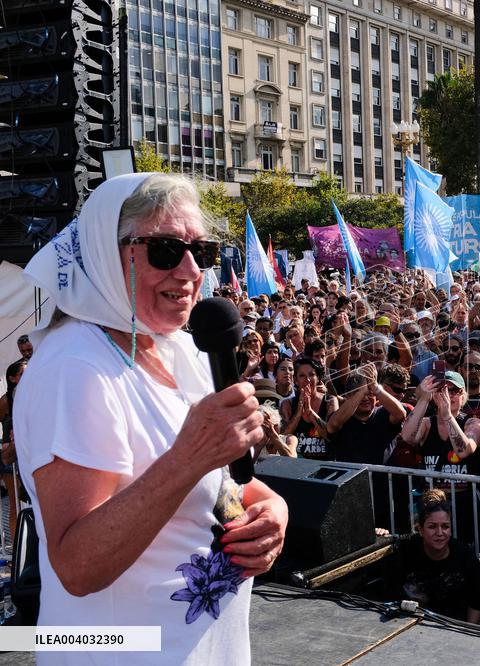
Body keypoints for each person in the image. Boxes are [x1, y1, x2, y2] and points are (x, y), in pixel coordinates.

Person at [13, 173, 286, 663]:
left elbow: (218, 482)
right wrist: (190, 456)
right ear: (106, 253)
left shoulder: (178, 350)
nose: (190, 270)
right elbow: (77, 565)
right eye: (164, 250)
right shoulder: (76, 367)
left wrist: (272, 510)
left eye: (201, 251)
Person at [400, 373, 480, 544]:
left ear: (463, 395)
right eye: (443, 390)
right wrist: (424, 398)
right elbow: (407, 437)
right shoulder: (427, 423)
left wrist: (447, 415)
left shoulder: (472, 423)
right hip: (432, 502)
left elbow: (464, 450)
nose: (448, 395)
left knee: (465, 551)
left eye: (454, 391)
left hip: (463, 502)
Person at [385, 488, 480, 622]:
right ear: (420, 530)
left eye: (445, 526)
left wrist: (467, 632)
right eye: (432, 527)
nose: (439, 533)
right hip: (409, 623)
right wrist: (379, 534)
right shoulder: (406, 547)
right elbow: (386, 541)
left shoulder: (465, 556)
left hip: (453, 626)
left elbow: (477, 603)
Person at [279, 357, 337, 460]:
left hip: (325, 463)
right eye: (302, 376)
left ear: (318, 378)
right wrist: (299, 411)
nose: (307, 379)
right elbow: (283, 436)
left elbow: (330, 435)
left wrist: (309, 411)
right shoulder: (287, 404)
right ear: (296, 380)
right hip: (297, 464)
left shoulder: (330, 401)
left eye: (312, 374)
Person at [0, 358, 27, 541]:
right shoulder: (6, 400)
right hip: (11, 457)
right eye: (22, 374)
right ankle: (17, 547)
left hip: (25, 457)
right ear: (12, 378)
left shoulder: (31, 393)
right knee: (14, 503)